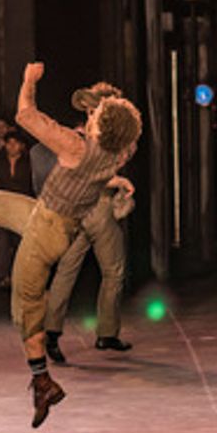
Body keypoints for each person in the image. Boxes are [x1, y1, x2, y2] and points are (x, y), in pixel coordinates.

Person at [0, 62, 142, 427]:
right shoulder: (117, 153)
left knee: (26, 305)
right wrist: (117, 180)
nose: (90, 118)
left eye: (96, 116)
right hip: (49, 220)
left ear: (99, 126)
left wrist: (28, 81)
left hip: (44, 233)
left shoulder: (74, 146)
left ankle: (42, 381)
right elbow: (113, 144)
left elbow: (25, 114)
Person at [42, 81, 136, 362]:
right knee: (114, 270)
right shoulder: (107, 138)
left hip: (76, 208)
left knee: (66, 270)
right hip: (98, 208)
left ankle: (52, 332)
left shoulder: (83, 136)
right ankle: (106, 333)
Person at [0, 126, 34, 287]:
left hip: (23, 205)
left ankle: (18, 276)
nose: (12, 146)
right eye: (9, 143)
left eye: (15, 143)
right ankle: (2, 276)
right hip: (4, 205)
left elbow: (33, 184)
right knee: (2, 240)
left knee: (21, 243)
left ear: (22, 145)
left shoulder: (28, 162)